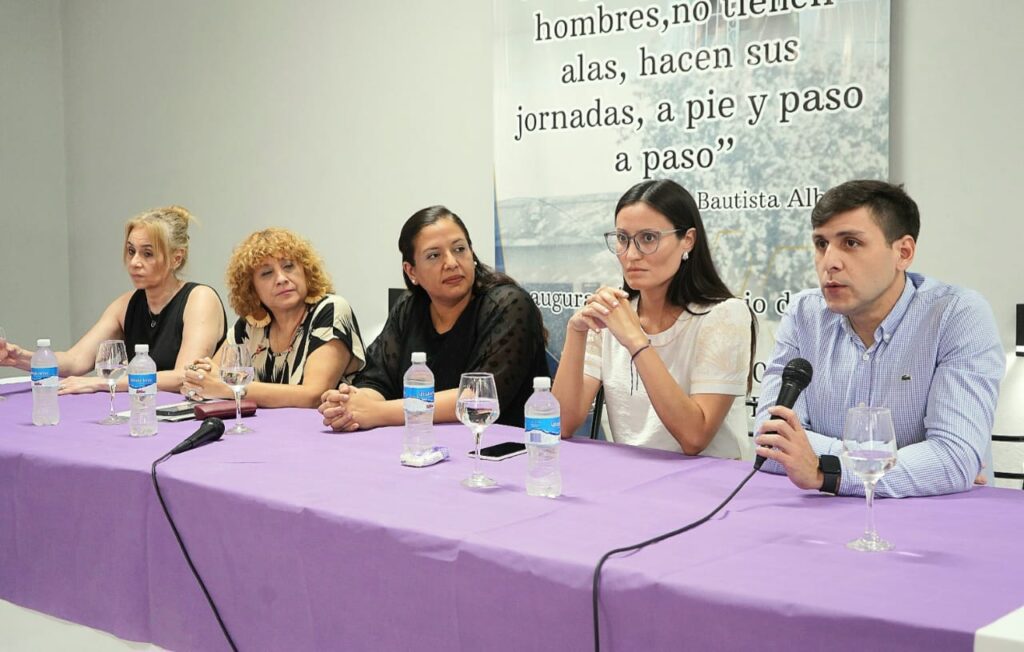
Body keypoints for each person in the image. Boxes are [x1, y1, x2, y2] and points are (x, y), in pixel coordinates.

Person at [753, 180, 1004, 498]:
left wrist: (823, 468)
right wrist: (916, 465)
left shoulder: (957, 315)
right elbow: (771, 440)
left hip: (938, 518)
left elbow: (953, 458)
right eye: (821, 244)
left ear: (903, 252)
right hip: (827, 511)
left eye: (851, 243)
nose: (829, 261)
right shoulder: (804, 313)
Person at [552, 179, 755, 459]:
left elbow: (694, 437)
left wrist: (637, 341)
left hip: (710, 487)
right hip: (632, 480)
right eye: (623, 239)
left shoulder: (724, 315)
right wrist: (576, 332)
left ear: (688, 240)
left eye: (648, 238)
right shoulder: (615, 312)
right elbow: (561, 424)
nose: (631, 255)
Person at [318, 205, 548, 431]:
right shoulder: (409, 307)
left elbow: (480, 399)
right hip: (422, 446)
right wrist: (352, 405)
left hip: (495, 451)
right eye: (434, 255)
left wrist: (377, 412)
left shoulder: (509, 304)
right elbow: (378, 380)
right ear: (412, 271)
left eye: (459, 249)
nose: (451, 263)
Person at [0, 205, 226, 393]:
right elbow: (76, 360)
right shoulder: (125, 304)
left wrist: (103, 383)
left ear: (176, 259)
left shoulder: (200, 299)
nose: (134, 262)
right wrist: (20, 357)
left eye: (147, 253)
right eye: (131, 251)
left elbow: (185, 377)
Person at [181, 228, 365, 409]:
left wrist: (231, 389)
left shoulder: (330, 309)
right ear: (251, 288)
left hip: (326, 431)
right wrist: (198, 379)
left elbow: (313, 396)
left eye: (289, 266)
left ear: (306, 271)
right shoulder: (252, 324)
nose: (281, 279)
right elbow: (212, 373)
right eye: (267, 273)